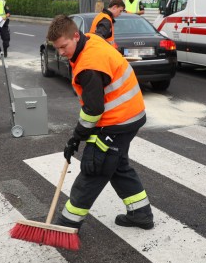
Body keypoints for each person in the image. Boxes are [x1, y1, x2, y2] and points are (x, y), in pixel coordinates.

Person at [46, 15, 154, 231]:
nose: (61, 53)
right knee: (116, 165)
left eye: (64, 47)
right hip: (130, 115)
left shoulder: (89, 66)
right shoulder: (90, 40)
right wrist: (79, 137)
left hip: (118, 120)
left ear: (76, 36)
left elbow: (94, 109)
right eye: (57, 48)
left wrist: (77, 137)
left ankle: (67, 224)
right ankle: (140, 213)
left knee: (94, 167)